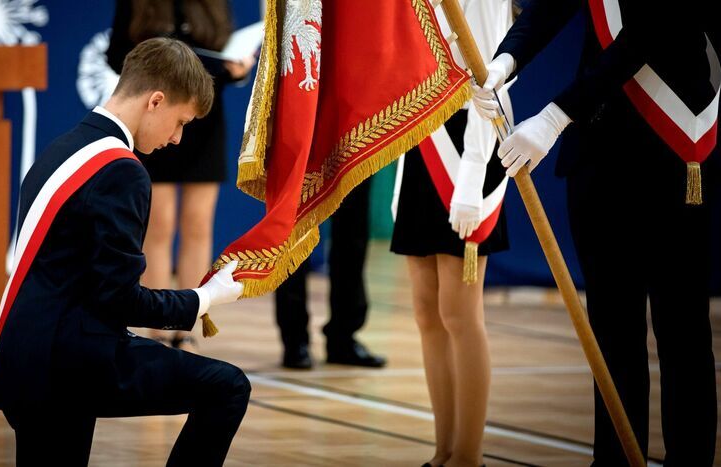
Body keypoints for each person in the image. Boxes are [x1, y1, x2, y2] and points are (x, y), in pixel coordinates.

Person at [0, 38, 249, 466]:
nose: (178, 139)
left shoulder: (62, 147)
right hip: (68, 362)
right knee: (228, 386)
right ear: (155, 101)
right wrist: (206, 298)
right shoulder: (121, 171)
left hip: (23, 354)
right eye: (179, 122)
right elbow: (120, 300)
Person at [473, 0, 719, 464]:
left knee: (682, 333)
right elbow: (551, 7)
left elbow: (648, 31)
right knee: (612, 334)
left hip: (671, 154)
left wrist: (554, 116)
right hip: (599, 158)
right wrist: (504, 61)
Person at [390, 2, 514, 465]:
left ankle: (468, 456)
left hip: (469, 141)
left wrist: (473, 172)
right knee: (426, 311)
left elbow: (488, 74)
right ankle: (443, 450)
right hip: (424, 137)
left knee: (460, 313)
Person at [108, 0, 255, 352]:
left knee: (198, 225)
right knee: (158, 225)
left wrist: (236, 68)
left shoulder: (214, 4)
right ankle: (158, 327)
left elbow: (227, 52)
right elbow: (118, 57)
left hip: (202, 120)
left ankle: (186, 325)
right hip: (157, 115)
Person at [275, 178, 388, 369]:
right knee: (294, 228)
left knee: (353, 229)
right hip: (299, 148)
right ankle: (294, 341)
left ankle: (343, 338)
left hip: (350, 147)